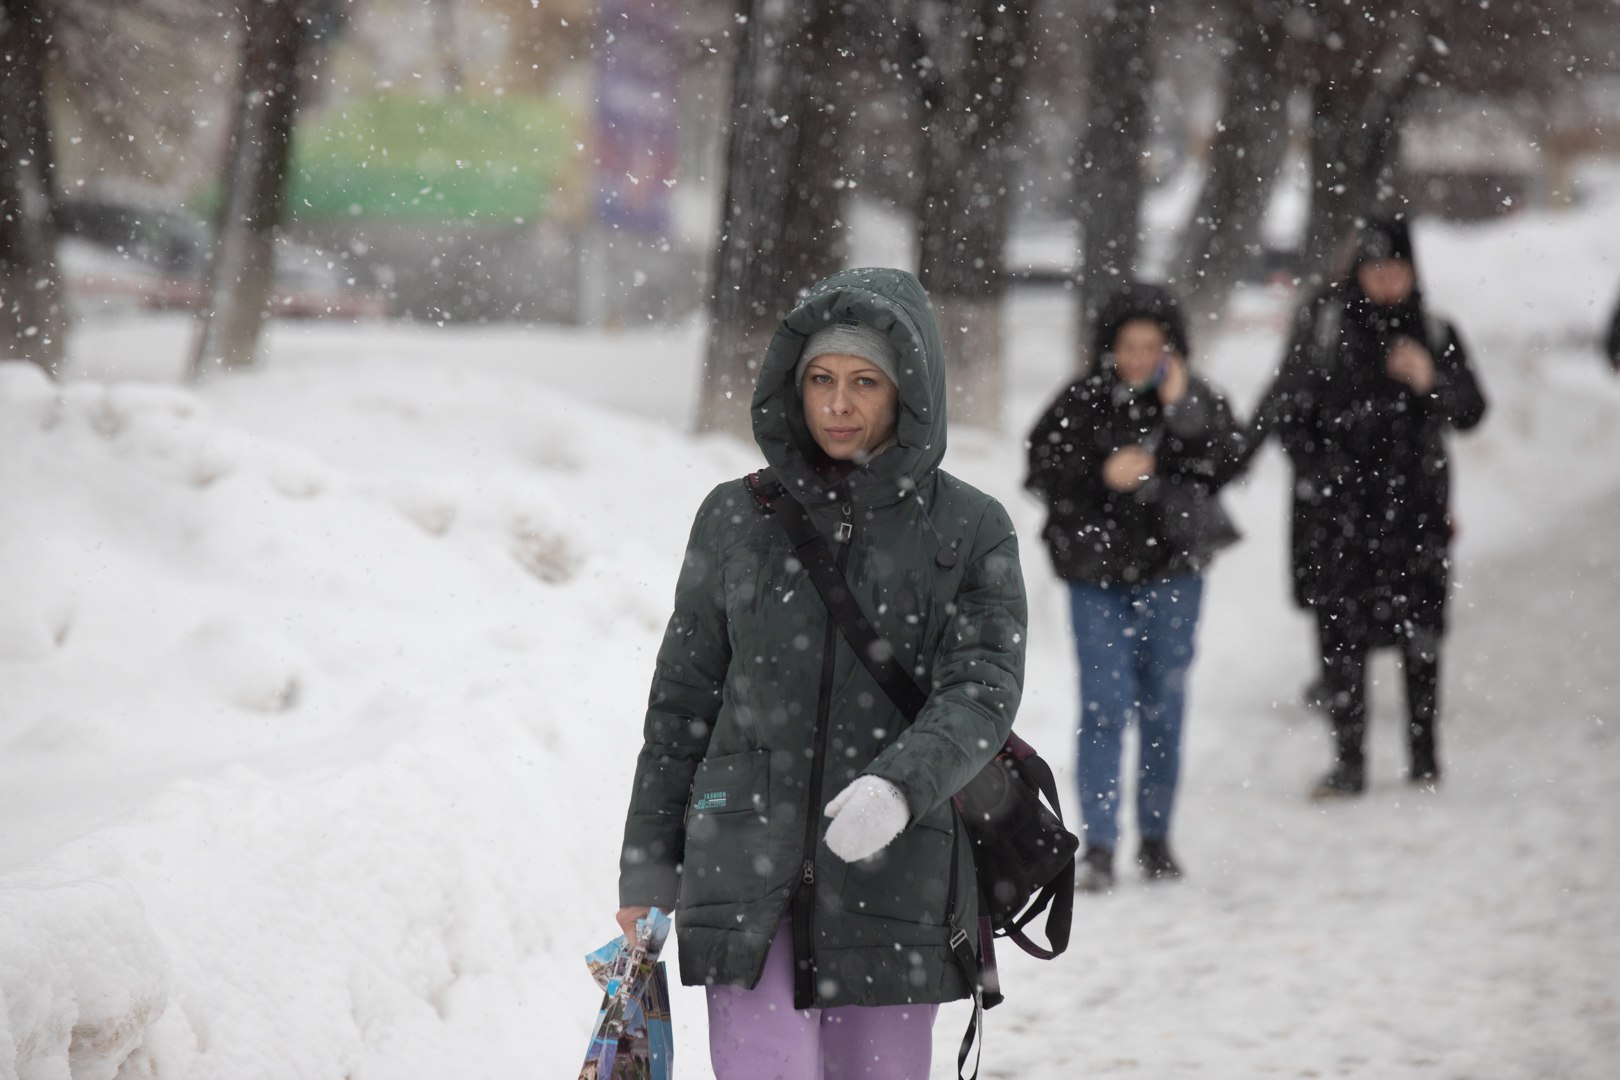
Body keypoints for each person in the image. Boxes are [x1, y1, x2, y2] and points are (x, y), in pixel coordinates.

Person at [615, 267, 1028, 1079]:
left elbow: (981, 689)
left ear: (907, 390)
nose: (838, 404)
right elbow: (681, 705)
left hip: (898, 877)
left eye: (865, 382)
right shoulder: (737, 517)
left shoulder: (972, 528)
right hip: (743, 868)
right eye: (822, 380)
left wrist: (902, 785)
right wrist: (647, 869)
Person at [1025, 281, 1243, 893]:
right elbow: (1040, 468)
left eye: (1153, 345)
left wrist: (1182, 412)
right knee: (1102, 705)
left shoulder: (1196, 398)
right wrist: (1100, 475)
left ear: (1174, 347)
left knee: (1164, 704)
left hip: (1173, 572)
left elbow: (1229, 461)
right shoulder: (1082, 400)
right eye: (1129, 345)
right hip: (1094, 576)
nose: (1140, 357)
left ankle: (1155, 836)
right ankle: (1098, 844)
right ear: (1108, 346)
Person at [1262, 214, 1487, 798]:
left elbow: (1471, 410)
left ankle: (1424, 756)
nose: (1387, 281)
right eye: (1376, 269)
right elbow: (1287, 411)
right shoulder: (1327, 328)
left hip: (1417, 516)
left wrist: (1431, 380)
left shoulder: (1434, 332)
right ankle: (1349, 761)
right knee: (1341, 640)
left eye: (1398, 269)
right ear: (1358, 272)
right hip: (1340, 519)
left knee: (1421, 638)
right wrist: (1322, 473)